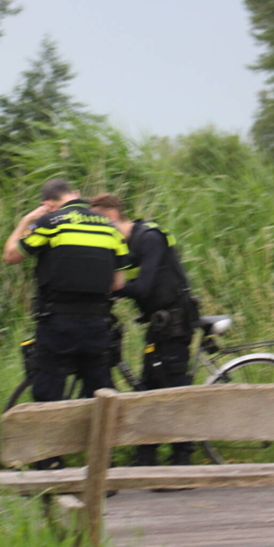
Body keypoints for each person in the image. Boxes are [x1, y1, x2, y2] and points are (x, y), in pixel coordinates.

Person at [3, 179, 128, 468]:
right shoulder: (110, 228)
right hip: (97, 324)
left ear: (47, 204)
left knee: (49, 389)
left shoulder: (50, 222)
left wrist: (25, 221)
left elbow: (11, 256)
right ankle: (102, 468)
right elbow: (118, 283)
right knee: (99, 390)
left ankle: (49, 465)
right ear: (76, 195)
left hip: (58, 323)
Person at [90, 193, 198, 467]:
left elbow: (143, 287)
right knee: (148, 387)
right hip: (158, 325)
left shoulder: (149, 238)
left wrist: (112, 289)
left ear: (111, 215)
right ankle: (145, 458)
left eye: (98, 222)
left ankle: (182, 459)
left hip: (175, 323)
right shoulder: (127, 245)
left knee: (173, 389)